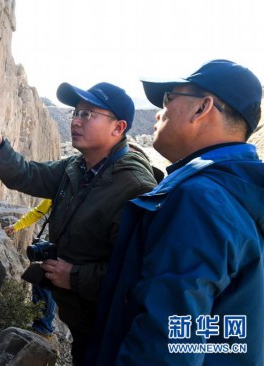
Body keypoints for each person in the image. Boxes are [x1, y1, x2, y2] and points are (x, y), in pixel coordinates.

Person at [92, 59, 263, 365]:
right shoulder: (240, 191)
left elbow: (167, 345)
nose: (159, 112)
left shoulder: (200, 200)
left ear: (202, 108)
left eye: (169, 98)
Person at [0, 82, 157, 365]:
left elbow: (140, 273)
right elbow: (26, 175)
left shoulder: (133, 187)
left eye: (88, 114)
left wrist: (76, 276)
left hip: (110, 326)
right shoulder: (77, 167)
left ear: (118, 128)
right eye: (76, 112)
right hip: (80, 319)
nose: (76, 121)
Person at [4, 198, 56, 337]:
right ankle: (41, 325)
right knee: (42, 283)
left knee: (47, 285)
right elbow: (37, 212)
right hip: (55, 247)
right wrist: (15, 226)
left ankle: (43, 328)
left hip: (72, 251)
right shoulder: (61, 189)